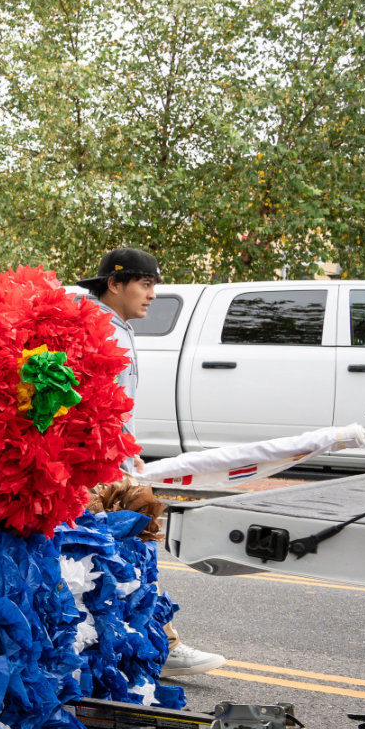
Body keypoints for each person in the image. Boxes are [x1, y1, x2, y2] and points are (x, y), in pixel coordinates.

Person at [79, 246, 224, 677]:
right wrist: (114, 450)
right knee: (121, 551)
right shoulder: (96, 329)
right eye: (146, 283)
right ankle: (161, 645)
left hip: (112, 460)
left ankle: (154, 644)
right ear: (115, 284)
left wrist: (127, 445)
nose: (153, 294)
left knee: (116, 554)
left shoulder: (116, 327)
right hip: (95, 465)